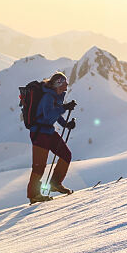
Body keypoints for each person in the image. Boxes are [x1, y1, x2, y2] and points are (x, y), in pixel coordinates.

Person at [27, 71, 77, 203]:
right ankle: (34, 195)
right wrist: (64, 108)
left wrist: (66, 124)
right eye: (64, 84)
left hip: (48, 132)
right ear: (58, 84)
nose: (66, 86)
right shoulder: (48, 97)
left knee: (66, 155)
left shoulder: (56, 96)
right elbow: (49, 117)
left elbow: (55, 115)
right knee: (39, 166)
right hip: (39, 133)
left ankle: (55, 183)